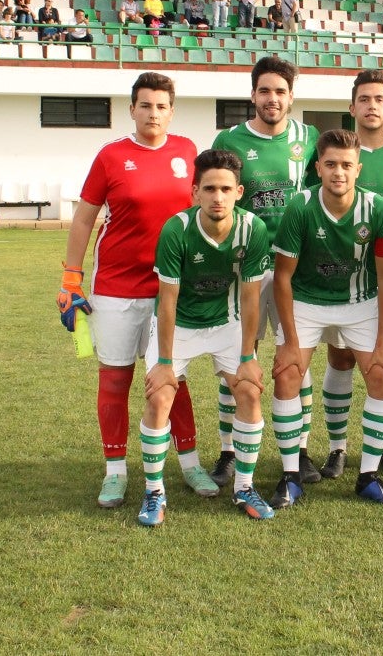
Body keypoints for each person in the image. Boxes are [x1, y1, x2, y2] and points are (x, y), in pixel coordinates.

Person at [56, 72, 213, 510]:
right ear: (132, 109)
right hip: (116, 288)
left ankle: (191, 463)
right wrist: (71, 277)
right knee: (116, 379)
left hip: (171, 289)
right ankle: (115, 472)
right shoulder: (111, 156)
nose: (153, 113)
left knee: (172, 379)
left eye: (162, 106)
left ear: (171, 111)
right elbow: (85, 218)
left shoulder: (187, 152)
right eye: (145, 105)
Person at [139, 149, 275, 525]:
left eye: (225, 189)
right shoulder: (176, 230)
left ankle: (244, 487)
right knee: (160, 396)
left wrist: (248, 355)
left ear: (239, 192)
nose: (218, 197)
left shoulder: (253, 230)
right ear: (195, 191)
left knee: (248, 390)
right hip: (178, 323)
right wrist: (165, 364)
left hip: (225, 322)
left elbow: (250, 299)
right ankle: (154, 493)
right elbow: (166, 301)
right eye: (210, 188)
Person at [271, 128, 383, 508]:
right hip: (308, 300)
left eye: (346, 165)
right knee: (287, 374)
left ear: (358, 169)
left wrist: (381, 343)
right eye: (330, 164)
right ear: (318, 168)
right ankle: (291, 476)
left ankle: (368, 477)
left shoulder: (379, 209)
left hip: (360, 301)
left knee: (381, 374)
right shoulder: (300, 206)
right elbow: (282, 277)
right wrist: (291, 342)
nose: (338, 172)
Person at [211, 57, 320, 486]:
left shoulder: (309, 138)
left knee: (297, 357)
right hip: (247, 268)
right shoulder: (230, 139)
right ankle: (229, 452)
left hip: (296, 267)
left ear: (291, 97)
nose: (272, 99)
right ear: (252, 95)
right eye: (264, 91)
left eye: (280, 92)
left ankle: (301, 451)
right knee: (237, 359)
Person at [319, 71, 383, 481]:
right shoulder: (333, 150)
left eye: (379, 99)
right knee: (340, 357)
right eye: (364, 99)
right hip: (340, 275)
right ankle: (337, 448)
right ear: (352, 107)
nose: (371, 106)